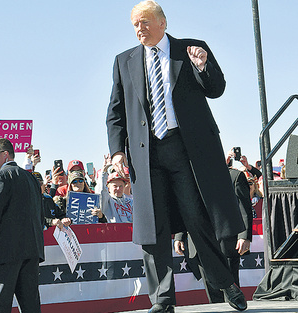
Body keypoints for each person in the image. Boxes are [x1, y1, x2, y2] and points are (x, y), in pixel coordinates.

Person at [105, 1, 247, 312]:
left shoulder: (191, 49)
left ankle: (225, 284)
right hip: (146, 156)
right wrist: (117, 151)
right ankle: (162, 299)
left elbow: (216, 88)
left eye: (145, 23)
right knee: (153, 228)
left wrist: (203, 65)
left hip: (187, 151)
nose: (139, 29)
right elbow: (115, 113)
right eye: (135, 25)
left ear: (162, 23)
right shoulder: (124, 61)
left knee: (197, 218)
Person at [175, 154, 254, 303]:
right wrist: (179, 235)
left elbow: (244, 209)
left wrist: (244, 236)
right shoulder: (191, 178)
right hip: (199, 243)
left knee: (231, 291)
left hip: (227, 243)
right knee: (212, 291)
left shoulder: (235, 177)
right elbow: (185, 209)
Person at [0, 138, 44, 313]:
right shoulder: (31, 179)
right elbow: (40, 216)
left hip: (3, 255)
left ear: (5, 154)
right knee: (31, 307)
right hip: (31, 253)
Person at [100, 155, 133, 223]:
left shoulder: (130, 202)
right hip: (114, 231)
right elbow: (102, 191)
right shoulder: (107, 201)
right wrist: (104, 171)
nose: (118, 189)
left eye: (121, 186)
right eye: (115, 186)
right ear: (108, 187)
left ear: (124, 186)